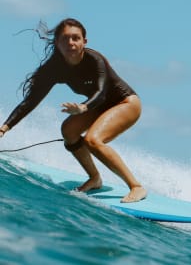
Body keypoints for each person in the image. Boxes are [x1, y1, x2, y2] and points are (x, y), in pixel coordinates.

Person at [0, 18, 147, 203]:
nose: (70, 43)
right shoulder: (53, 69)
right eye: (65, 39)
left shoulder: (95, 60)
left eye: (75, 38)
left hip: (125, 103)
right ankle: (95, 178)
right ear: (57, 43)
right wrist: (4, 128)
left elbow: (101, 93)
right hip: (96, 106)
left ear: (84, 41)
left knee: (93, 140)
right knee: (69, 131)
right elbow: (30, 102)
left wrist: (83, 107)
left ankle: (136, 187)